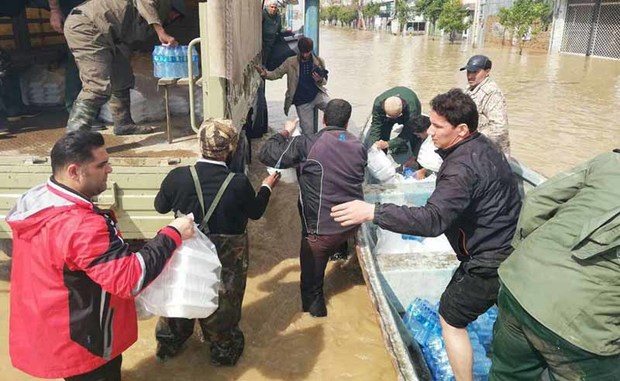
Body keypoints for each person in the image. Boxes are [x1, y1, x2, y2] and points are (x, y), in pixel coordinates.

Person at [331, 89, 522, 381]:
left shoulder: (460, 168)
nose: (430, 132)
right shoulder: (484, 146)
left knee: (451, 316)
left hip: (488, 258)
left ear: (461, 129)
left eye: (437, 127)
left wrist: (372, 212)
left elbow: (432, 221)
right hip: (512, 247)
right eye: (431, 124)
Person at [6, 130, 194, 380]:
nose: (110, 170)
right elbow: (130, 279)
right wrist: (173, 234)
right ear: (74, 171)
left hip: (53, 327)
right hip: (84, 343)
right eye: (102, 164)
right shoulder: (81, 226)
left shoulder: (39, 200)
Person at [153, 119, 280, 365]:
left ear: (200, 146)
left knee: (181, 290)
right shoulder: (238, 183)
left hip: (186, 248)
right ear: (231, 149)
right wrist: (267, 187)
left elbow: (160, 207)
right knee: (224, 299)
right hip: (227, 255)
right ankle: (222, 350)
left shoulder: (178, 177)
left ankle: (170, 344)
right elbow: (255, 212)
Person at [489, 149, 620, 381]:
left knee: (507, 376)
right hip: (581, 326)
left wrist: (530, 260)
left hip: (520, 283)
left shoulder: (610, 161)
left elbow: (538, 200)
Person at [259, 99, 367, 317]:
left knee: (312, 289)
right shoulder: (359, 145)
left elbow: (267, 153)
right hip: (351, 225)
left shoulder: (308, 143)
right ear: (346, 124)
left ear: (324, 119)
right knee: (336, 243)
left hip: (320, 233)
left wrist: (285, 132)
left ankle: (316, 320)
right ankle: (339, 257)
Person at [63, 0, 182, 135]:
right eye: (174, 13)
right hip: (87, 26)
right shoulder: (155, 3)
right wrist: (160, 31)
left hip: (110, 35)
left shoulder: (144, 15)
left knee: (122, 78)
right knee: (96, 86)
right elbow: (145, 3)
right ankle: (74, 137)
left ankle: (123, 124)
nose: (172, 18)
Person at [256, 36, 329, 135]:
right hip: (303, 102)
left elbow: (325, 81)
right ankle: (309, 148)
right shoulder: (290, 62)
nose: (305, 54)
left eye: (307, 52)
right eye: (303, 52)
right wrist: (264, 74)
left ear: (311, 50)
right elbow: (276, 74)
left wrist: (320, 80)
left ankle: (335, 137)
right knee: (308, 132)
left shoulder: (319, 61)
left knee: (334, 110)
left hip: (317, 95)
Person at [460, 55, 510, 155]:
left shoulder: (492, 93)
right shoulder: (470, 88)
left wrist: (476, 145)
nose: (470, 76)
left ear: (487, 72)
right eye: (468, 72)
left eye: (475, 72)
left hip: (487, 152)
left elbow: (499, 129)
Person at [366, 86, 422, 158]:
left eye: (395, 117)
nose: (394, 119)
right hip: (387, 116)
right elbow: (376, 126)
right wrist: (374, 145)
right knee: (383, 131)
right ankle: (382, 156)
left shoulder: (412, 108)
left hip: (408, 114)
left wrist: (389, 144)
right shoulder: (378, 103)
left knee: (415, 134)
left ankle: (415, 157)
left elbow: (408, 132)